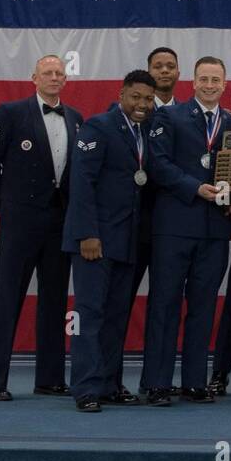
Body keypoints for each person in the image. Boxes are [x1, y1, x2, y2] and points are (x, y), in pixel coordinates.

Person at [0, 55, 83, 401]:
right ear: (33, 78)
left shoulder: (77, 119)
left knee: (54, 303)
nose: (54, 77)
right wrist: (7, 207)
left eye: (59, 73)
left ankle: (49, 379)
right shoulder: (9, 113)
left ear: (65, 80)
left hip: (59, 224)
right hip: (20, 224)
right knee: (7, 301)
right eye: (47, 73)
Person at [140, 56, 231, 405]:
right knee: (165, 305)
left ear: (225, 83)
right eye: (204, 79)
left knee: (204, 306)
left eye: (216, 79)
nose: (210, 85)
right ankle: (157, 382)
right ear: (193, 82)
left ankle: (195, 381)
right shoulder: (168, 116)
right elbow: (157, 164)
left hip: (215, 230)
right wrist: (194, 187)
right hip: (174, 226)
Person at [62, 71, 158, 412]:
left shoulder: (147, 131)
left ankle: (110, 383)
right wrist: (87, 234)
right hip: (96, 240)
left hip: (127, 240)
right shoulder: (98, 127)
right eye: (136, 97)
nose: (143, 105)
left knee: (117, 316)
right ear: (122, 94)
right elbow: (82, 182)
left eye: (148, 99)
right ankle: (85, 388)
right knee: (90, 315)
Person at [110, 46, 182, 396]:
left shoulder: (188, 116)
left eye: (170, 66)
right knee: (118, 304)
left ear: (178, 73)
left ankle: (156, 383)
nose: (164, 71)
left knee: (164, 306)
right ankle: (109, 381)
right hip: (131, 226)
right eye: (158, 66)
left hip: (173, 227)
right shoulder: (120, 116)